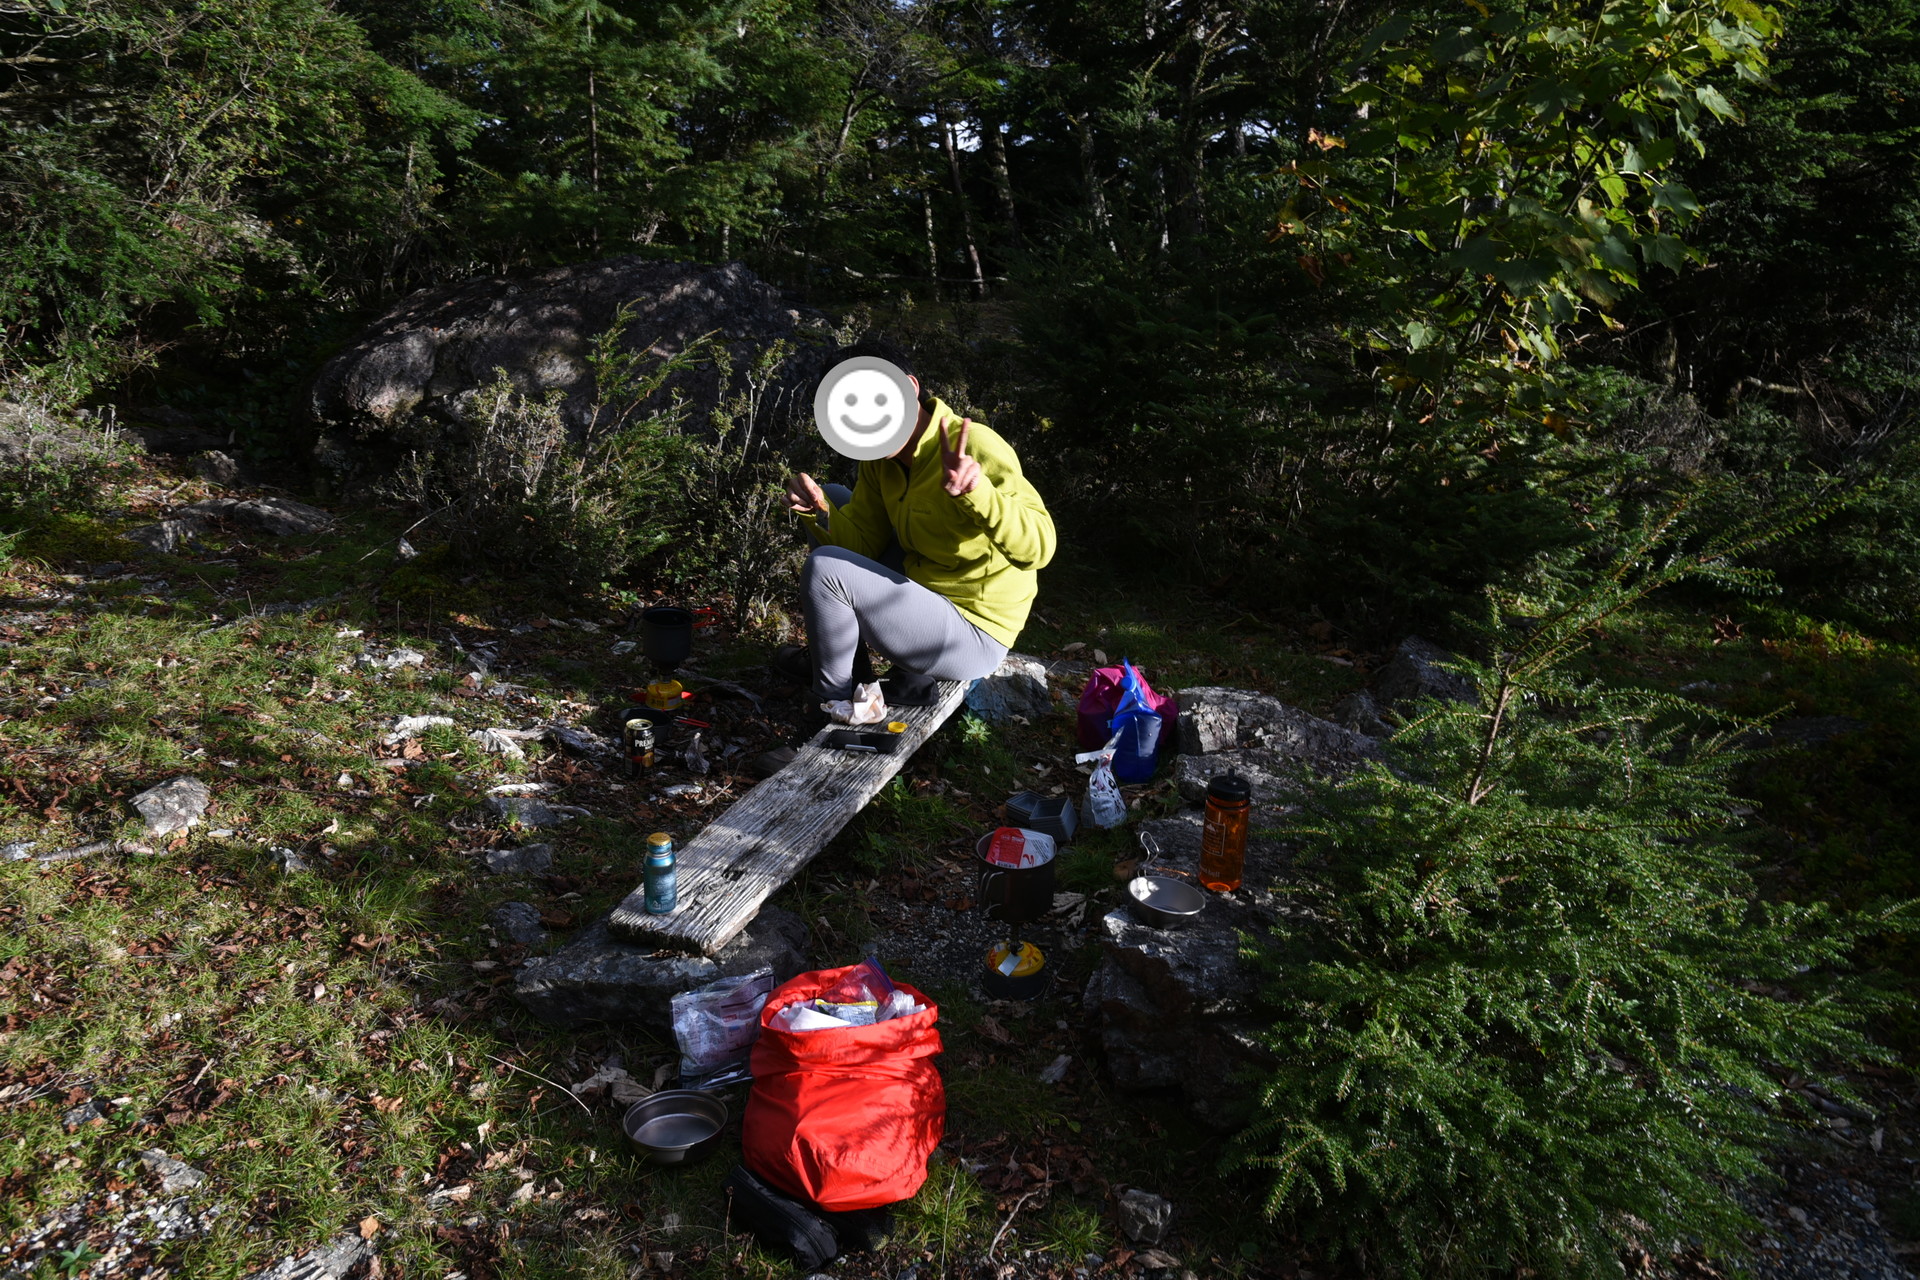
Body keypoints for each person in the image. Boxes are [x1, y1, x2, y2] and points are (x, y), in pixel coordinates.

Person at [784, 340, 1055, 703]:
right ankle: (852, 673)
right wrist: (819, 509)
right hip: (926, 591)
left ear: (909, 387)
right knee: (833, 495)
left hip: (973, 631)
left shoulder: (973, 445)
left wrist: (978, 492)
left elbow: (1039, 548)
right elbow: (863, 544)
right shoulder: (880, 460)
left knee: (825, 569)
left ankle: (834, 704)